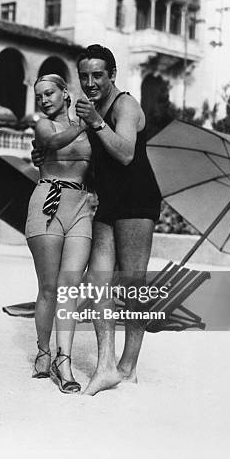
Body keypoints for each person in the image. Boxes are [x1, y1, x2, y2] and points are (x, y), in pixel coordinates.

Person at [34, 45, 161, 395]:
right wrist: (45, 157)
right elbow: (86, 154)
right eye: (84, 76)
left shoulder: (126, 106)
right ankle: (106, 364)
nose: (90, 82)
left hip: (137, 201)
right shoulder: (88, 109)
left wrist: (95, 122)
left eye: (97, 75)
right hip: (105, 201)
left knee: (134, 284)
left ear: (112, 75)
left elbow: (125, 153)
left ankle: (129, 366)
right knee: (97, 282)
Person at [26, 74, 94, 394]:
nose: (44, 100)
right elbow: (51, 143)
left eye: (50, 93)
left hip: (80, 206)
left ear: (65, 93)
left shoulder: (86, 124)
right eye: (39, 95)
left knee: (71, 287)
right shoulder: (43, 126)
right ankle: (43, 351)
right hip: (47, 203)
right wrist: (84, 125)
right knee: (49, 288)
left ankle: (63, 360)